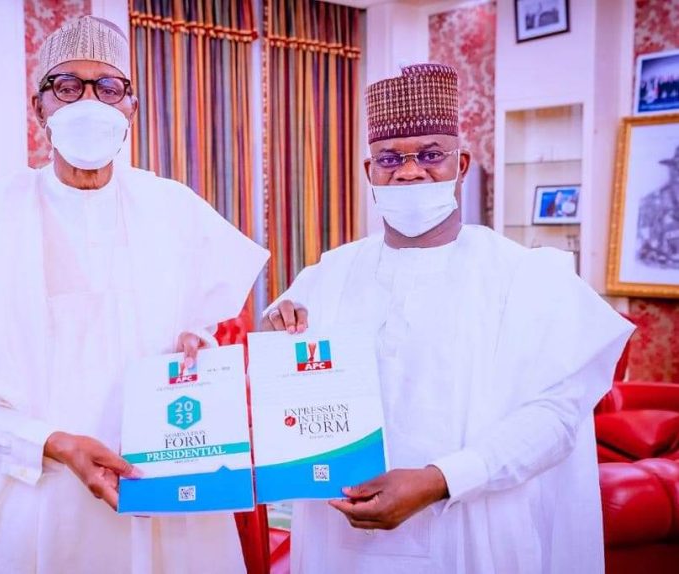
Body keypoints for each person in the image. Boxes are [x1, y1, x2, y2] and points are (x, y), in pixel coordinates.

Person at [0, 16, 268, 574]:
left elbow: (201, 331)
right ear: (39, 107)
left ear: (131, 107)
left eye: (109, 87)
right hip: (31, 494)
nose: (89, 102)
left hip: (164, 492)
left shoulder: (175, 211)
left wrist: (198, 344)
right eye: (68, 86)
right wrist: (50, 442)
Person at [262, 63, 633, 573]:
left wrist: (440, 480)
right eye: (389, 158)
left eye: (430, 155)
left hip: (476, 537)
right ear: (369, 171)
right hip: (341, 540)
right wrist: (275, 342)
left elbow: (555, 419)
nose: (409, 171)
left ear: (461, 164)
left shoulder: (525, 276)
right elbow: (285, 393)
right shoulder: (328, 274)